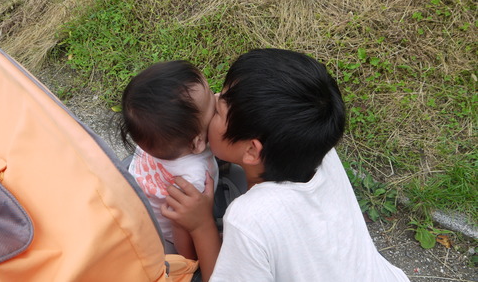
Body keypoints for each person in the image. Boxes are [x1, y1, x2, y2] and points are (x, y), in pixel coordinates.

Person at [161, 49, 410, 281]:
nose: (212, 100)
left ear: (251, 150)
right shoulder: (320, 152)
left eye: (218, 111)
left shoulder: (247, 218)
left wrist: (201, 225)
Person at [119, 60, 219, 260]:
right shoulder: (193, 179)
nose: (218, 98)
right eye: (212, 102)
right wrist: (193, 260)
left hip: (137, 206)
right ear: (197, 143)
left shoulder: (155, 135)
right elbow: (181, 230)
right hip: (168, 239)